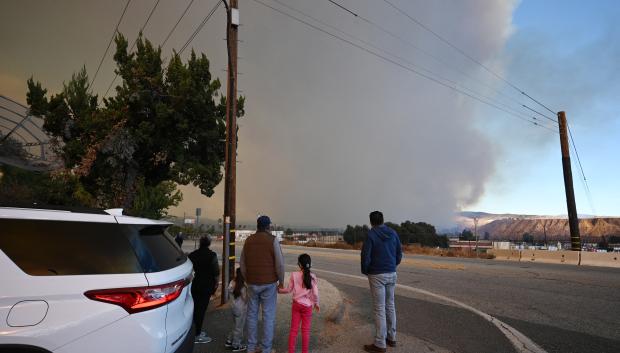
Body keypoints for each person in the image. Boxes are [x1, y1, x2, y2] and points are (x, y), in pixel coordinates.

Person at [240, 215, 285, 353]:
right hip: (269, 284)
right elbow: (279, 264)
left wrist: (247, 279)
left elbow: (242, 263)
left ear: (257, 226)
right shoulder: (272, 240)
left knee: (251, 315)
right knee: (268, 316)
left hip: (252, 283)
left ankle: (251, 347)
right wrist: (281, 281)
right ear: (268, 227)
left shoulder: (248, 240)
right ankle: (266, 348)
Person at [361, 211, 402, 353]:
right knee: (390, 305)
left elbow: (365, 255)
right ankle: (392, 337)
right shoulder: (393, 233)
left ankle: (380, 343)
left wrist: (366, 270)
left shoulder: (371, 235)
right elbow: (399, 253)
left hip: (377, 274)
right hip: (391, 273)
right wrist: (392, 266)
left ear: (371, 222)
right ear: (383, 220)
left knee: (379, 308)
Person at [278, 253, 320, 353]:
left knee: (293, 330)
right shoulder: (313, 277)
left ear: (299, 265)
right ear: (310, 264)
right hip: (308, 307)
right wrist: (316, 303)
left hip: (296, 305)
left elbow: (288, 289)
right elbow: (315, 292)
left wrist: (278, 290)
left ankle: (291, 351)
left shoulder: (294, 275)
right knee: (305, 331)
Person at [189, 236, 220, 344]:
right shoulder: (212, 255)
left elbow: (189, 270)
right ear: (209, 244)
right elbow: (216, 272)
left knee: (194, 308)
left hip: (195, 284)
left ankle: (193, 332)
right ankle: (197, 335)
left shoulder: (192, 255)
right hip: (206, 286)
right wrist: (216, 284)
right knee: (201, 310)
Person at [225, 268, 249, 352]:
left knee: (235, 325)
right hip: (241, 309)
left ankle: (229, 340)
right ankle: (236, 345)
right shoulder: (242, 286)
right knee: (239, 328)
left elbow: (229, 291)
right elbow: (245, 299)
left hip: (233, 307)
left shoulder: (232, 282)